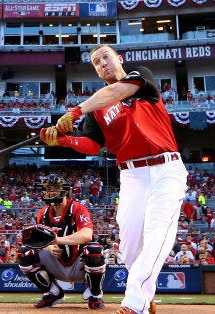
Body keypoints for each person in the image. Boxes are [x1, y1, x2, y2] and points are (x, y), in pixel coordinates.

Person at [40, 44, 188, 314]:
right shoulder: (97, 110)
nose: (102, 63)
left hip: (166, 168)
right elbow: (93, 146)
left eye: (105, 57)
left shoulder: (139, 76)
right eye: (96, 62)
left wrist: (75, 112)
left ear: (118, 58)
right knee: (129, 248)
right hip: (132, 174)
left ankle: (134, 303)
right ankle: (146, 295)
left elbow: (115, 92)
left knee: (157, 234)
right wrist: (63, 139)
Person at [17, 174, 105, 310]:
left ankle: (95, 294)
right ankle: (53, 293)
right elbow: (37, 241)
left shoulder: (77, 208)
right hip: (55, 262)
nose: (51, 192)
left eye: (55, 188)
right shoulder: (42, 213)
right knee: (24, 252)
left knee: (94, 250)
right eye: (48, 188)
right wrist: (49, 247)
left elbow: (87, 234)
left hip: (79, 263)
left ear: (64, 191)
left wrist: (59, 240)